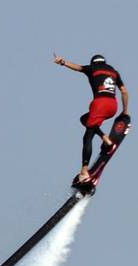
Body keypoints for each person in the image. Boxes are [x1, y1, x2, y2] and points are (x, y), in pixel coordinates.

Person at [53, 53, 129, 182]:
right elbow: (124, 91)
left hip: (100, 104)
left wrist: (62, 62)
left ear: (93, 63)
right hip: (113, 106)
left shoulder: (92, 68)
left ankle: (84, 171)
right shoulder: (114, 72)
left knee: (88, 136)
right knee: (85, 119)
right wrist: (125, 112)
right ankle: (106, 139)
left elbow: (78, 67)